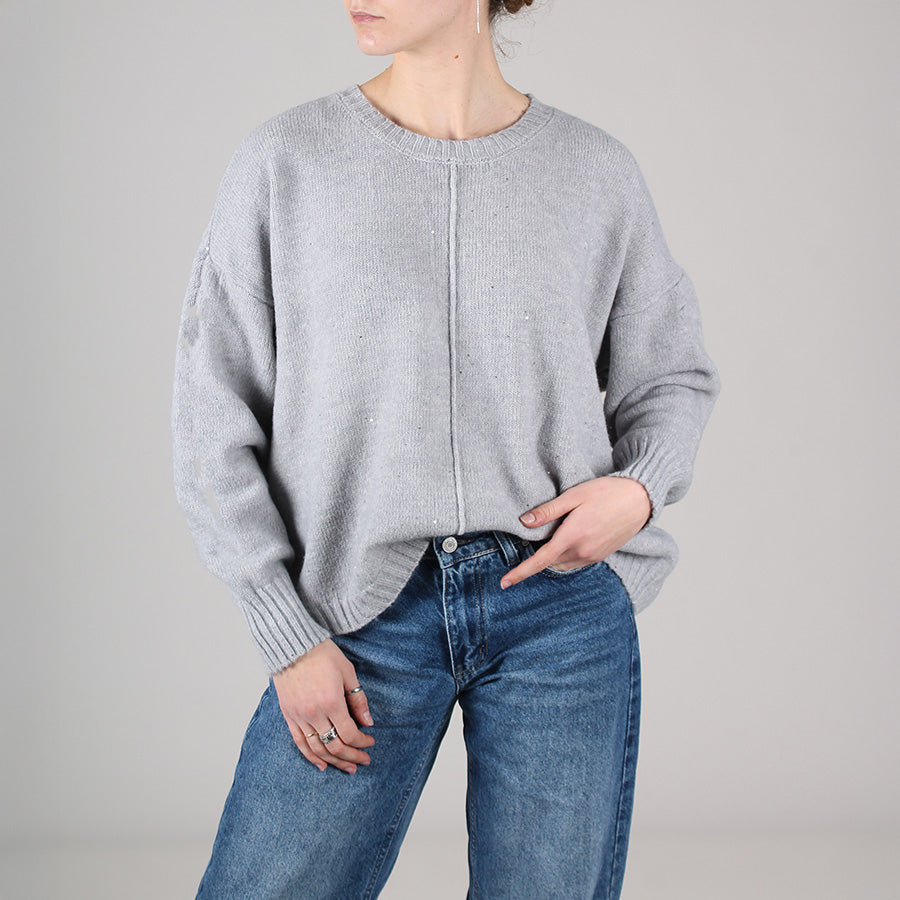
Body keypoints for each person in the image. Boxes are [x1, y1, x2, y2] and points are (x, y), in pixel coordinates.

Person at [171, 1, 721, 897]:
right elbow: (210, 418)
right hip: (355, 611)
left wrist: (639, 490)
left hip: (558, 608)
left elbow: (671, 375)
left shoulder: (594, 172)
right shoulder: (287, 161)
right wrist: (287, 635)